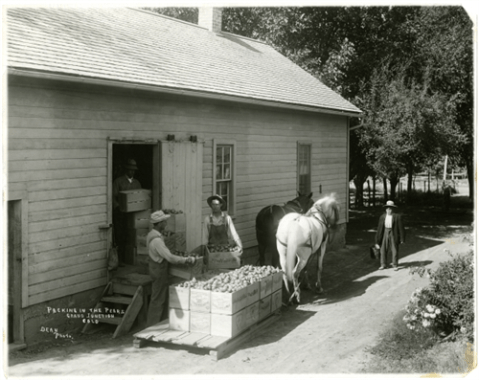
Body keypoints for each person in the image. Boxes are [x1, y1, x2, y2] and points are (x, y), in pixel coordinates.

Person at [146, 210, 196, 326]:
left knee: (160, 298)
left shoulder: (152, 235)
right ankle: (150, 327)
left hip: (155, 269)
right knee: (157, 300)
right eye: (164, 221)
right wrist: (186, 260)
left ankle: (159, 324)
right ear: (159, 223)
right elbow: (170, 258)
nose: (166, 223)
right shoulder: (157, 241)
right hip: (159, 271)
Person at [112, 159, 141, 265]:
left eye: (133, 171)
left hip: (132, 215)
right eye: (130, 170)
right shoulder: (118, 181)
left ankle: (130, 259)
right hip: (121, 214)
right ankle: (120, 260)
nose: (131, 172)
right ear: (126, 170)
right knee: (120, 235)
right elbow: (113, 197)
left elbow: (139, 197)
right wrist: (118, 208)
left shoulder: (136, 183)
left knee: (131, 236)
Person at [375, 200, 405, 271]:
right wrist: (377, 240)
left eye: (390, 208)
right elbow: (379, 229)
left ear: (393, 209)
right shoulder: (382, 217)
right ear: (385, 209)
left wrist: (402, 239)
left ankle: (395, 264)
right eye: (387, 208)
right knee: (383, 249)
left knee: (394, 249)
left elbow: (401, 228)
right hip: (385, 232)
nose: (389, 210)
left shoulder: (397, 217)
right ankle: (383, 264)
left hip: (393, 233)